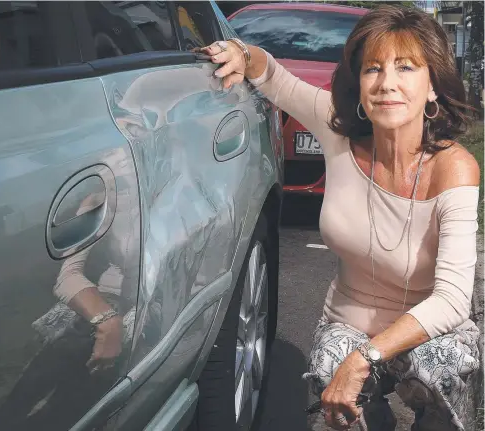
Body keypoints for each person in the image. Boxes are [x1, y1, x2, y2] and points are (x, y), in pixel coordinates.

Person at [200, 5, 480, 431]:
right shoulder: (338, 135)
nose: (387, 84)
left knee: (446, 366)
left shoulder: (453, 168)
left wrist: (364, 358)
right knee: (335, 377)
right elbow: (273, 76)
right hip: (350, 322)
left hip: (428, 332)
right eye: (373, 69)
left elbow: (454, 299)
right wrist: (240, 52)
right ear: (360, 86)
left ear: (433, 88)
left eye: (406, 68)